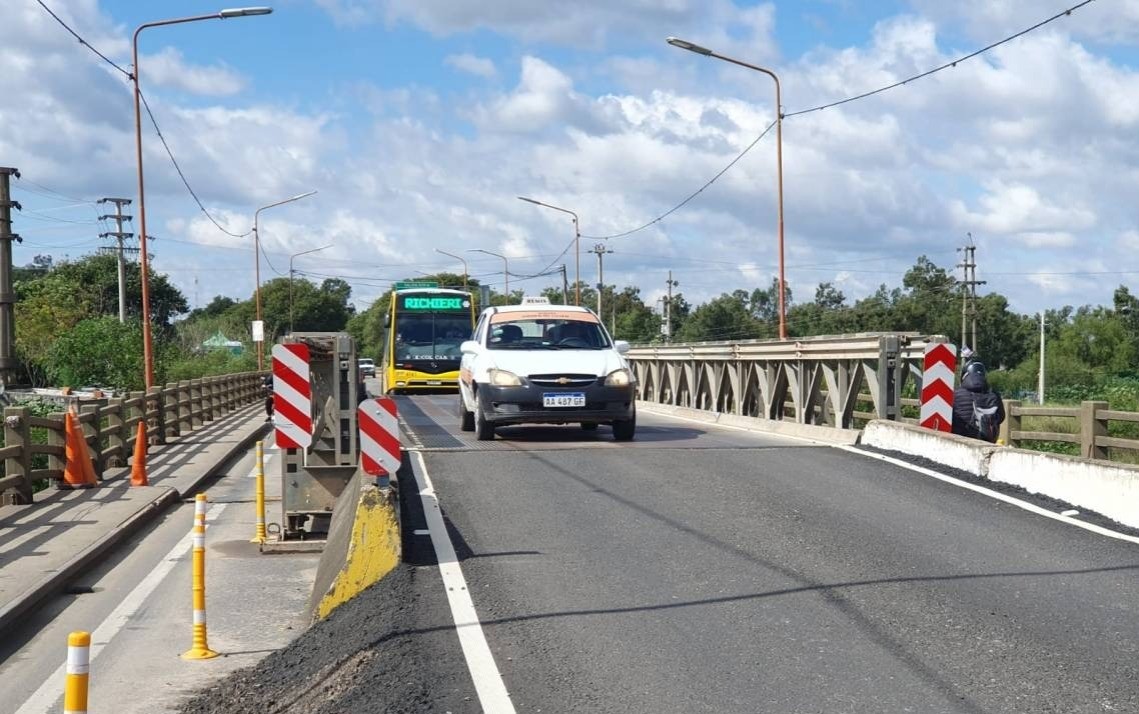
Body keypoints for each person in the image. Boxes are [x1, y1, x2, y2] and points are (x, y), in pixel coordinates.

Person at [952, 360, 1005, 442]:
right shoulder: (994, 394)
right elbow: (1001, 417)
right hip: (988, 443)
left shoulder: (955, 394)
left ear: (964, 376)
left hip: (961, 443)